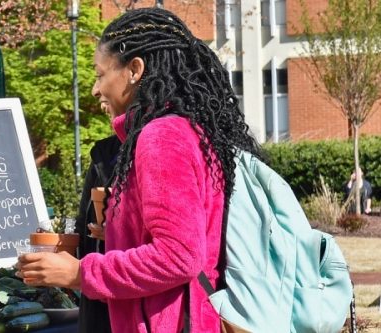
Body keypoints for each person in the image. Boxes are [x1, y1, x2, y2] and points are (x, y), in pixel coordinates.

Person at [16, 8, 263, 333]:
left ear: (134, 70)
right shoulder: (187, 130)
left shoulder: (161, 137)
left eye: (101, 74)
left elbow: (179, 256)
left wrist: (79, 273)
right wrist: (121, 232)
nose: (95, 89)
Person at [73, 134, 120, 333]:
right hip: (97, 290)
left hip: (136, 294)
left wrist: (119, 233)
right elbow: (84, 219)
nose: (101, 103)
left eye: (104, 99)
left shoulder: (161, 144)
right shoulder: (104, 151)